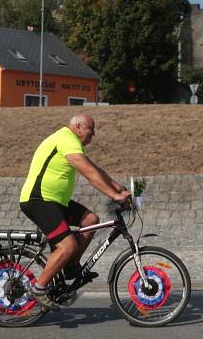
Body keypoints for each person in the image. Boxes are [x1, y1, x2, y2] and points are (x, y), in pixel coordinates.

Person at [19, 114, 130, 309]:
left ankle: (70, 267)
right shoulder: (65, 139)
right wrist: (114, 196)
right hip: (38, 200)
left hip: (55, 201)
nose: (93, 134)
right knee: (68, 245)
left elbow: (94, 169)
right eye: (91, 130)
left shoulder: (71, 142)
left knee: (91, 220)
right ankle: (38, 288)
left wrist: (118, 188)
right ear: (78, 127)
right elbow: (89, 175)